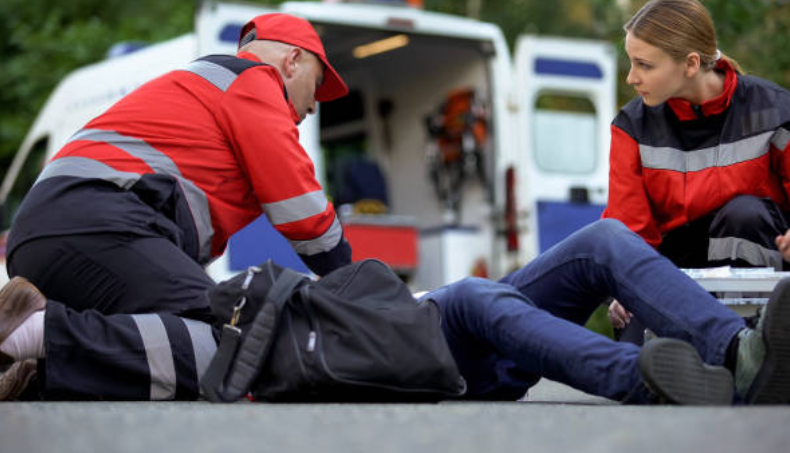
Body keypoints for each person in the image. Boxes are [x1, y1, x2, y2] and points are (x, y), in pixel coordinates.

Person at [2, 219, 790, 404]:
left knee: (601, 240)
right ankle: (653, 382)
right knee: (478, 295)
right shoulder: (101, 337)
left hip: (401, 316)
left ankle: (742, 353)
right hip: (401, 347)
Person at [0, 13, 352, 400]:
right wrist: (354, 286)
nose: (314, 106)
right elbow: (304, 213)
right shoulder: (254, 81)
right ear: (292, 62)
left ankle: (36, 374)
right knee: (237, 342)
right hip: (97, 220)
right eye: (316, 86)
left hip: (54, 230)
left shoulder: (204, 90)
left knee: (177, 335)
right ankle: (28, 334)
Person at [600, 0, 790, 342]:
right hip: (671, 273)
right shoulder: (631, 126)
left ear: (690, 64)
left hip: (759, 272)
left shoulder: (775, 110)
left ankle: (756, 344)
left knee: (744, 213)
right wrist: (619, 289)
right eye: (632, 62)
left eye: (644, 65)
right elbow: (630, 229)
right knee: (636, 376)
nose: (631, 77)